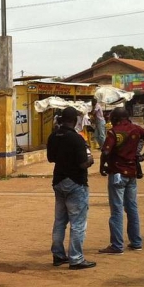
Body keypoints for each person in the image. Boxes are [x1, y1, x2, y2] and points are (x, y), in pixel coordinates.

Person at [98, 107, 144, 254]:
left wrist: (102, 166)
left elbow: (106, 151)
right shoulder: (136, 129)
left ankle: (117, 245)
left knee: (117, 210)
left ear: (116, 119)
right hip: (132, 173)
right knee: (132, 208)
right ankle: (136, 242)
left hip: (117, 173)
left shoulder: (114, 132)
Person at [47, 106, 96, 270]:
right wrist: (91, 160)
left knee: (60, 221)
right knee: (78, 223)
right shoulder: (76, 138)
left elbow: (50, 158)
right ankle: (76, 258)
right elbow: (83, 163)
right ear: (75, 120)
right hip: (76, 182)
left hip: (59, 181)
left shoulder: (54, 136)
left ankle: (59, 255)